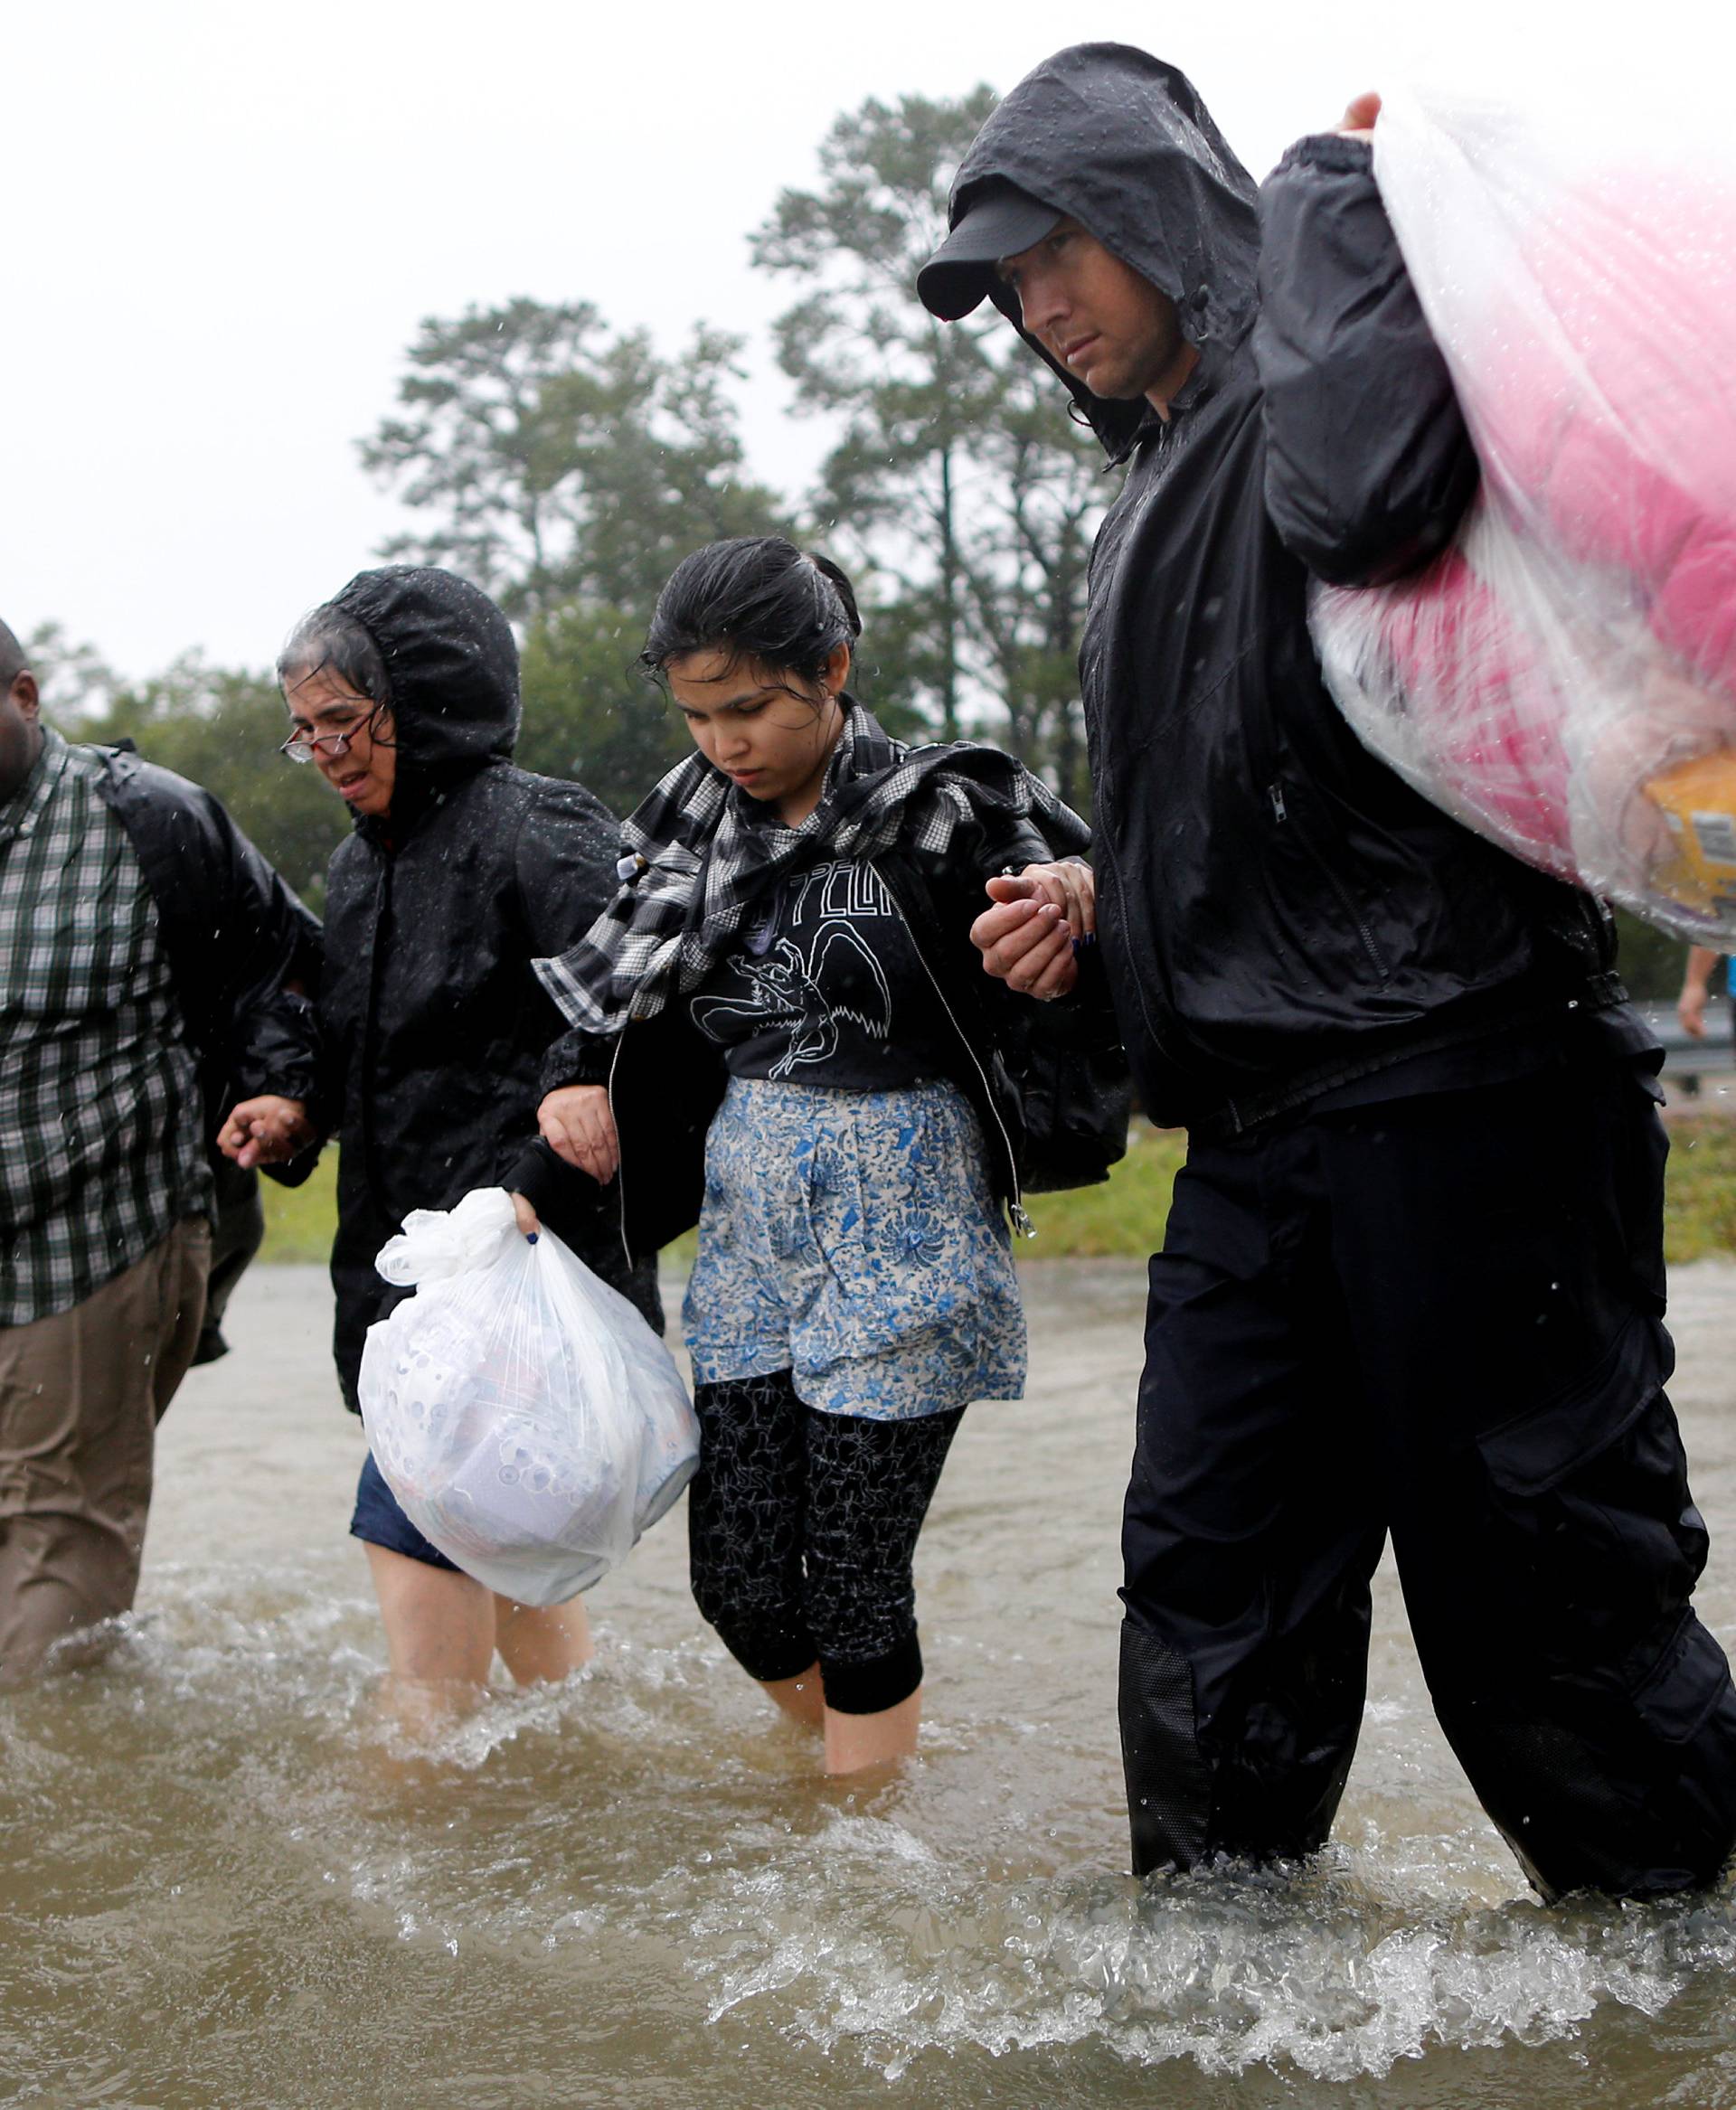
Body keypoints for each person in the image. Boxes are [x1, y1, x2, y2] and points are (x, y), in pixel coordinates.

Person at [919, 44, 1736, 1898]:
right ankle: (1215, 2013)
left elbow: (1372, 506)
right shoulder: (1143, 503)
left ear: (1153, 210)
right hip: (1255, 1150)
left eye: (1058, 250)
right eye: (1003, 285)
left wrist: (1320, 202)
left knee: (1547, 1610)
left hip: (1473, 1095)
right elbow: (1270, 802)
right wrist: (1100, 908)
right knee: (1207, 1605)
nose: (1038, 306)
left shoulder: (1339, 379)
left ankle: (1678, 1999)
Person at [532, 536, 1097, 1773]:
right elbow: (610, 998)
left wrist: (1069, 891)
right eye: (697, 713)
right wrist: (571, 1089)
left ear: (832, 669)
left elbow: (1099, 880)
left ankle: (863, 1835)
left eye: (750, 707)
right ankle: (869, 1758)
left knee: (853, 1579)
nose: (725, 741)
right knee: (739, 1585)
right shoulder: (684, 819)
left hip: (908, 1203)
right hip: (751, 1221)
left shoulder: (950, 799)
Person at [218, 566, 659, 1722]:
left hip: (509, 1285)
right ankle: (604, 1801)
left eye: (345, 723)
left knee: (424, 1667)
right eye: (303, 733)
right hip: (406, 1284)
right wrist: (296, 1108)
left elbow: (633, 1009)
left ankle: (397, 1858)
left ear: (424, 700)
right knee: (533, 1634)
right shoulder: (359, 865)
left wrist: (532, 1183)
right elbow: (358, 1046)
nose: (325, 752)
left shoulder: (538, 826)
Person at [0, 619, 316, 1681]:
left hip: (94, 1236)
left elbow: (288, 966)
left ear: (27, 697)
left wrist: (281, 1089)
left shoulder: (148, 819)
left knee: (58, 1541)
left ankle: (61, 1803)